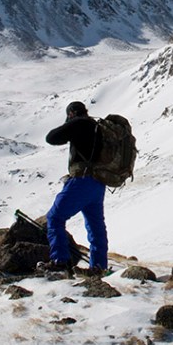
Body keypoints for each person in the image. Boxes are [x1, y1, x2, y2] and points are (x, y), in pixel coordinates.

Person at [40, 101, 109, 277]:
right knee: (95, 226)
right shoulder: (97, 126)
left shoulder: (78, 123)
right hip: (98, 183)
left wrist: (69, 124)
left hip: (81, 180)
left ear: (71, 113)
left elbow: (52, 137)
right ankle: (99, 266)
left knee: (54, 218)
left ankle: (60, 262)